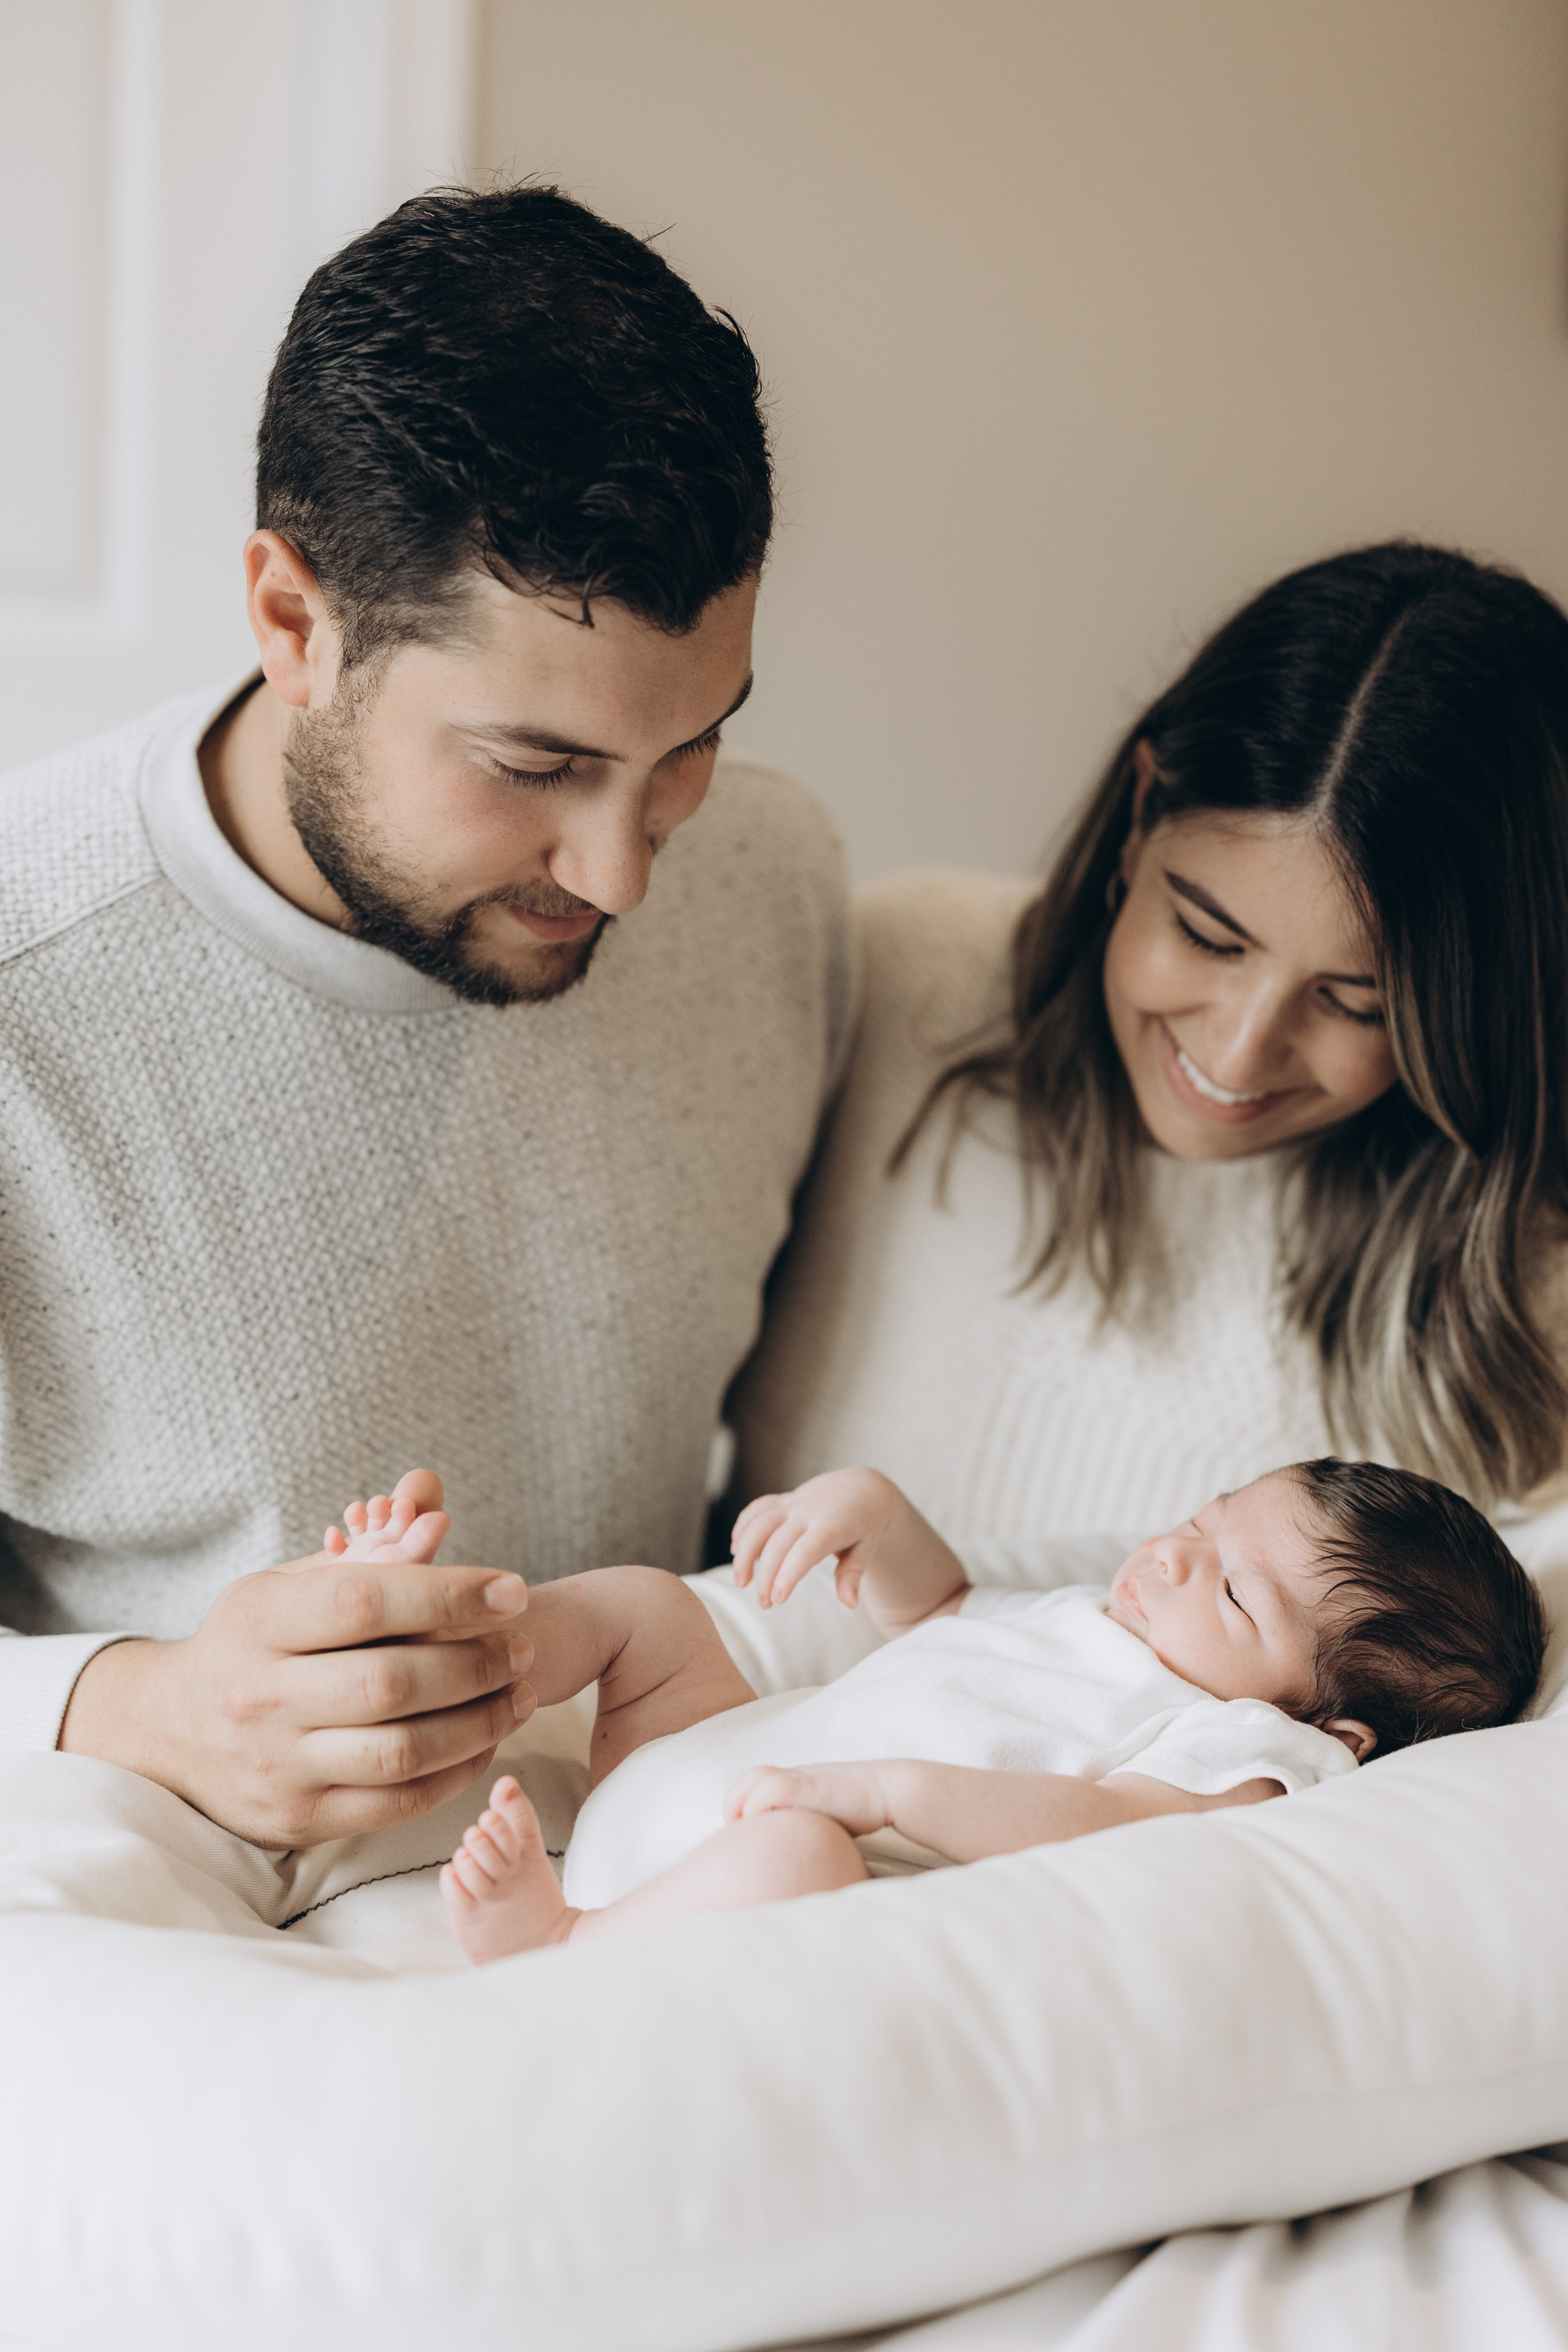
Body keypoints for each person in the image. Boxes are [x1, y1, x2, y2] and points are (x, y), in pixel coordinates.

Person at [0, 184, 851, 1849]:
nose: (623, 874)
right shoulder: (27, 998)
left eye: (686, 749)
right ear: (293, 624)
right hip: (210, 1948)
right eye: (534, 767)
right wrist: (142, 1705)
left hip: (663, 1890)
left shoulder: (778, 880)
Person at [729, 544, 1568, 1640]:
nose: (1241, 1048)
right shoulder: (906, 979)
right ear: (1139, 813)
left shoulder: (1527, 1287)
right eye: (1206, 934)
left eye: (1358, 1003)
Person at [312, 1456, 1544, 1961]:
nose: (1167, 1560)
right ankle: (448, 1637)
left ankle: (564, 1946)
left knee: (796, 1852)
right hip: (704, 1767)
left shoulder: (1247, 1744)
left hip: (764, 1869)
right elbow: (944, 1609)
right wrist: (875, 1514)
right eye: (1196, 1524)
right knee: (647, 1609)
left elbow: (1116, 1822)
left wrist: (889, 1795)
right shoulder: (1098, 1619)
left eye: (1227, 1589)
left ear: (1334, 1731)